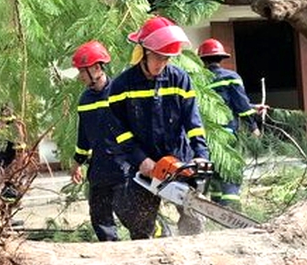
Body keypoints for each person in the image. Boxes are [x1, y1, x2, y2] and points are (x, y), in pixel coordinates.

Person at [108, 16, 209, 238]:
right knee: (140, 222)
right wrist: (140, 159)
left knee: (194, 219)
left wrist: (200, 153)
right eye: (158, 57)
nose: (161, 64)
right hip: (144, 162)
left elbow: (193, 122)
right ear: (144, 52)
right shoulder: (121, 86)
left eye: (166, 59)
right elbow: (120, 131)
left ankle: (194, 254)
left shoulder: (179, 79)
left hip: (178, 158)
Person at [69, 40, 131, 241]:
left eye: (82, 71)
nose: (80, 76)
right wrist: (77, 162)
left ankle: (157, 239)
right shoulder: (85, 100)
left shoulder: (120, 92)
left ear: (96, 68)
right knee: (100, 218)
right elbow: (84, 136)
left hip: (124, 168)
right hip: (99, 169)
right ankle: (112, 253)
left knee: (130, 215)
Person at [197, 38, 265, 208]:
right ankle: (232, 211)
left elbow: (220, 103)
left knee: (213, 174)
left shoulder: (198, 82)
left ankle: (215, 211)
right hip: (227, 134)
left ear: (201, 59)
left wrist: (254, 107)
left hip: (205, 137)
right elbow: (240, 106)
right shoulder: (231, 77)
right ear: (221, 58)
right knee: (231, 172)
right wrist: (253, 126)